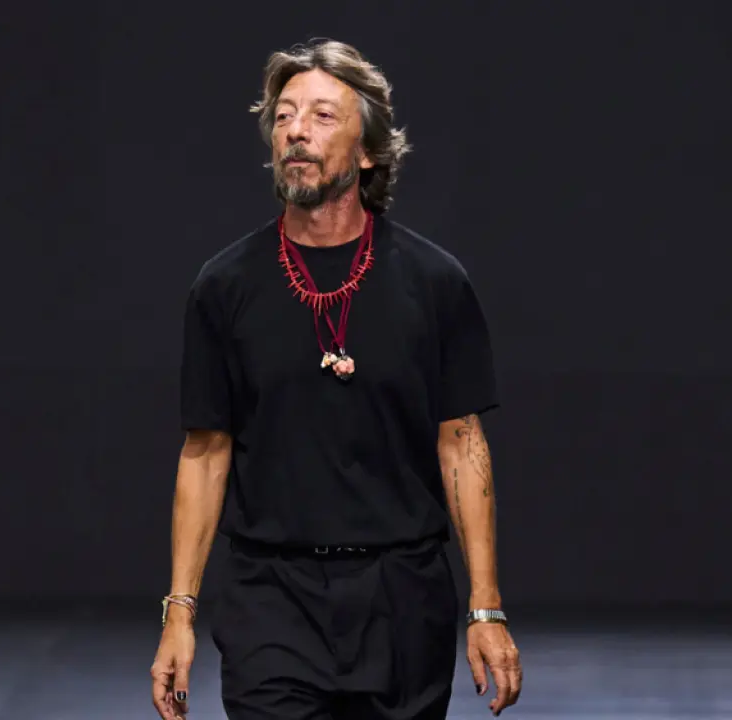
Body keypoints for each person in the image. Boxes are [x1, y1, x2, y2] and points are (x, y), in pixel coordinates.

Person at [150, 39, 522, 720]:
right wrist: (179, 612)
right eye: (284, 115)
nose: (296, 130)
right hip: (271, 598)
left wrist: (486, 606)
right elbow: (205, 452)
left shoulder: (434, 283)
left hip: (403, 597)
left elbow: (461, 443)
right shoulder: (225, 287)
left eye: (322, 115)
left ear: (370, 150)